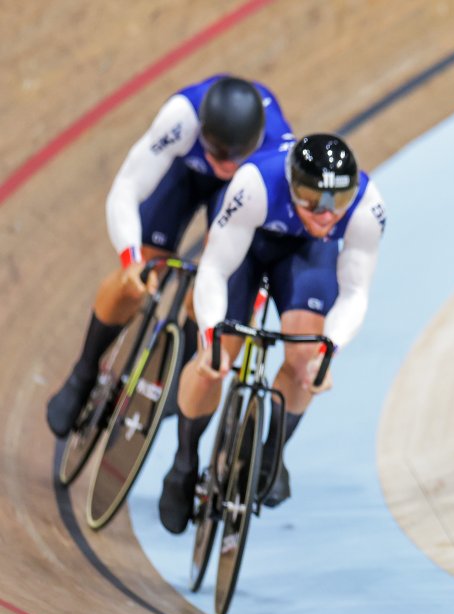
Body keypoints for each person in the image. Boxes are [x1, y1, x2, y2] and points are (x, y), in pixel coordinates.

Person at [156, 133, 386, 533]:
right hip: (245, 250)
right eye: (313, 198)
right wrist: (210, 335)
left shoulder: (368, 206)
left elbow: (354, 293)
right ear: (292, 184)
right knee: (215, 362)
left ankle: (271, 452)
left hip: (304, 258)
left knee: (304, 362)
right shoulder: (255, 184)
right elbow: (213, 270)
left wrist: (327, 351)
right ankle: (184, 462)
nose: (327, 213)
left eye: (338, 200)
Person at [46, 75, 293, 438]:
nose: (224, 163)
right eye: (215, 150)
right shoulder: (181, 117)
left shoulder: (277, 154)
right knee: (140, 275)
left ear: (255, 143)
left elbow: (263, 244)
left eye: (233, 155)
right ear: (202, 130)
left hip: (240, 195)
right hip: (184, 174)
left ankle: (179, 377)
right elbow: (127, 187)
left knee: (216, 280)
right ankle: (84, 371)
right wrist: (131, 258)